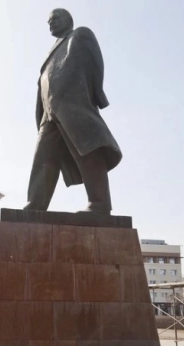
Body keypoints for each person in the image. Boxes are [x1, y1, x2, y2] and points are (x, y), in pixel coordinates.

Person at [23, 8, 122, 214]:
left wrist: (96, 93)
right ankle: (36, 205)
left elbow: (96, 64)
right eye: (49, 21)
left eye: (55, 18)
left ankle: (100, 204)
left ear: (68, 19)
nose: (51, 23)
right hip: (49, 114)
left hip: (73, 106)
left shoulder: (80, 35)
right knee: (43, 159)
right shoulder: (51, 52)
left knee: (88, 152)